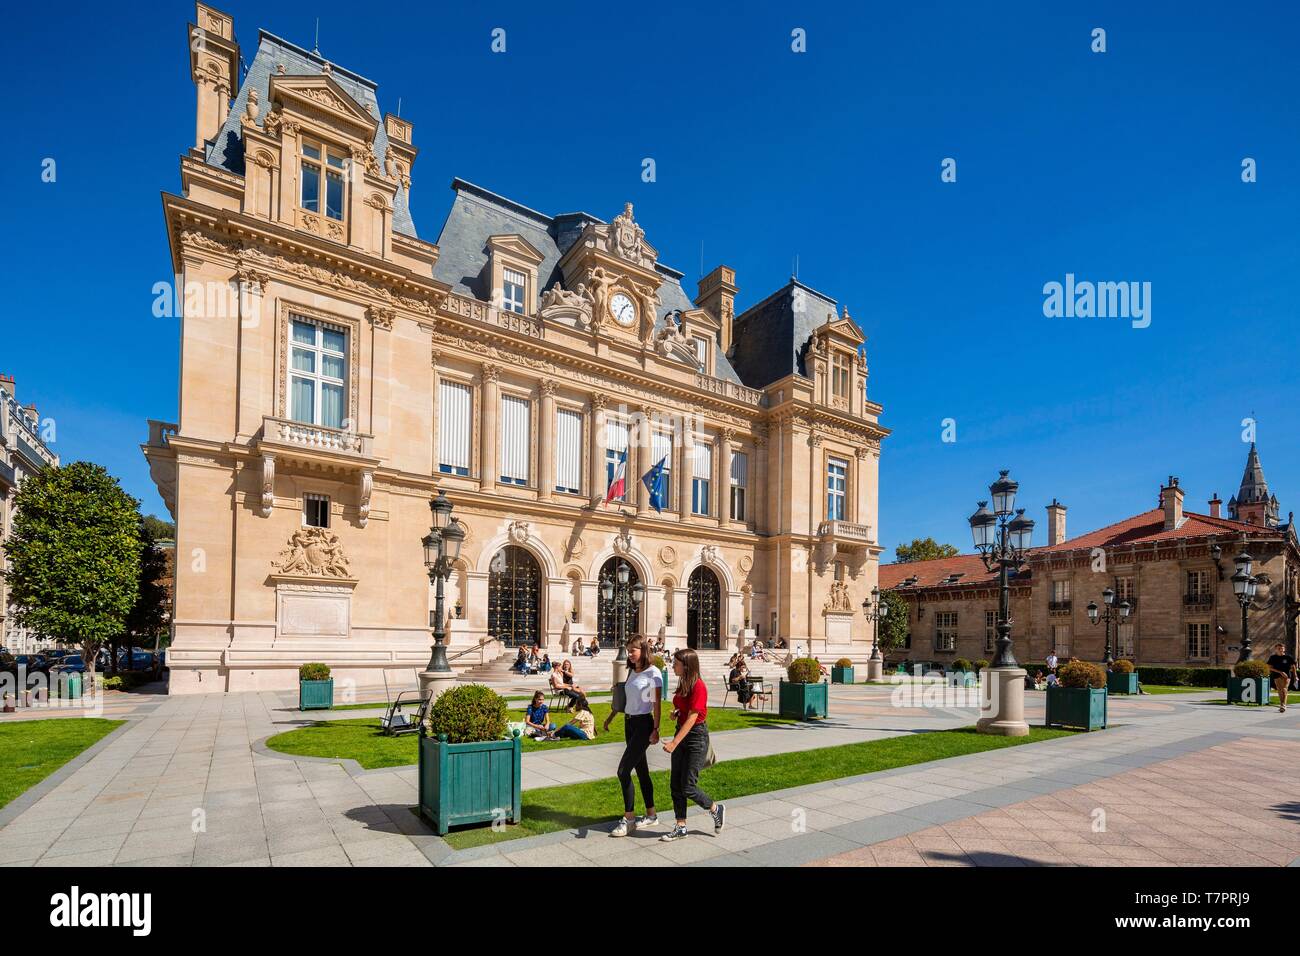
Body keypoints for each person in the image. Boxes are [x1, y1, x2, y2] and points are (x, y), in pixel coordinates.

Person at [660, 649, 724, 842]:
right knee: (675, 785)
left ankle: (715, 808)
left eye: (676, 663)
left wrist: (674, 742)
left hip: (696, 738)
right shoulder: (684, 684)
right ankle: (681, 826)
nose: (672, 666)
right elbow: (685, 711)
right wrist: (676, 713)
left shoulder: (699, 687)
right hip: (682, 731)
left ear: (686, 665)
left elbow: (694, 718)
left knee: (688, 786)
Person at [606, 635, 662, 837]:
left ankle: (629, 819)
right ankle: (652, 814)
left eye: (633, 650)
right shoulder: (632, 671)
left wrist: (655, 729)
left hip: (643, 724)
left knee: (623, 771)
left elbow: (656, 703)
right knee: (642, 770)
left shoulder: (653, 673)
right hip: (629, 723)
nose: (629, 654)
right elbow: (625, 699)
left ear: (643, 650)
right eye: (628, 650)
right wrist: (611, 717)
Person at [1267, 643, 1297, 713]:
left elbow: (1293, 667)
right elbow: (1270, 667)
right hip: (1276, 675)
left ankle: (1283, 705)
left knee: (1284, 689)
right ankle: (1282, 704)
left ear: (1284, 649)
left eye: (1282, 648)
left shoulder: (1288, 657)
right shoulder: (1273, 657)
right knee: (1279, 690)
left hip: (1287, 675)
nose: (1281, 650)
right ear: (1276, 649)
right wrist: (1280, 672)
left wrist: (1295, 676)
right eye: (1279, 648)